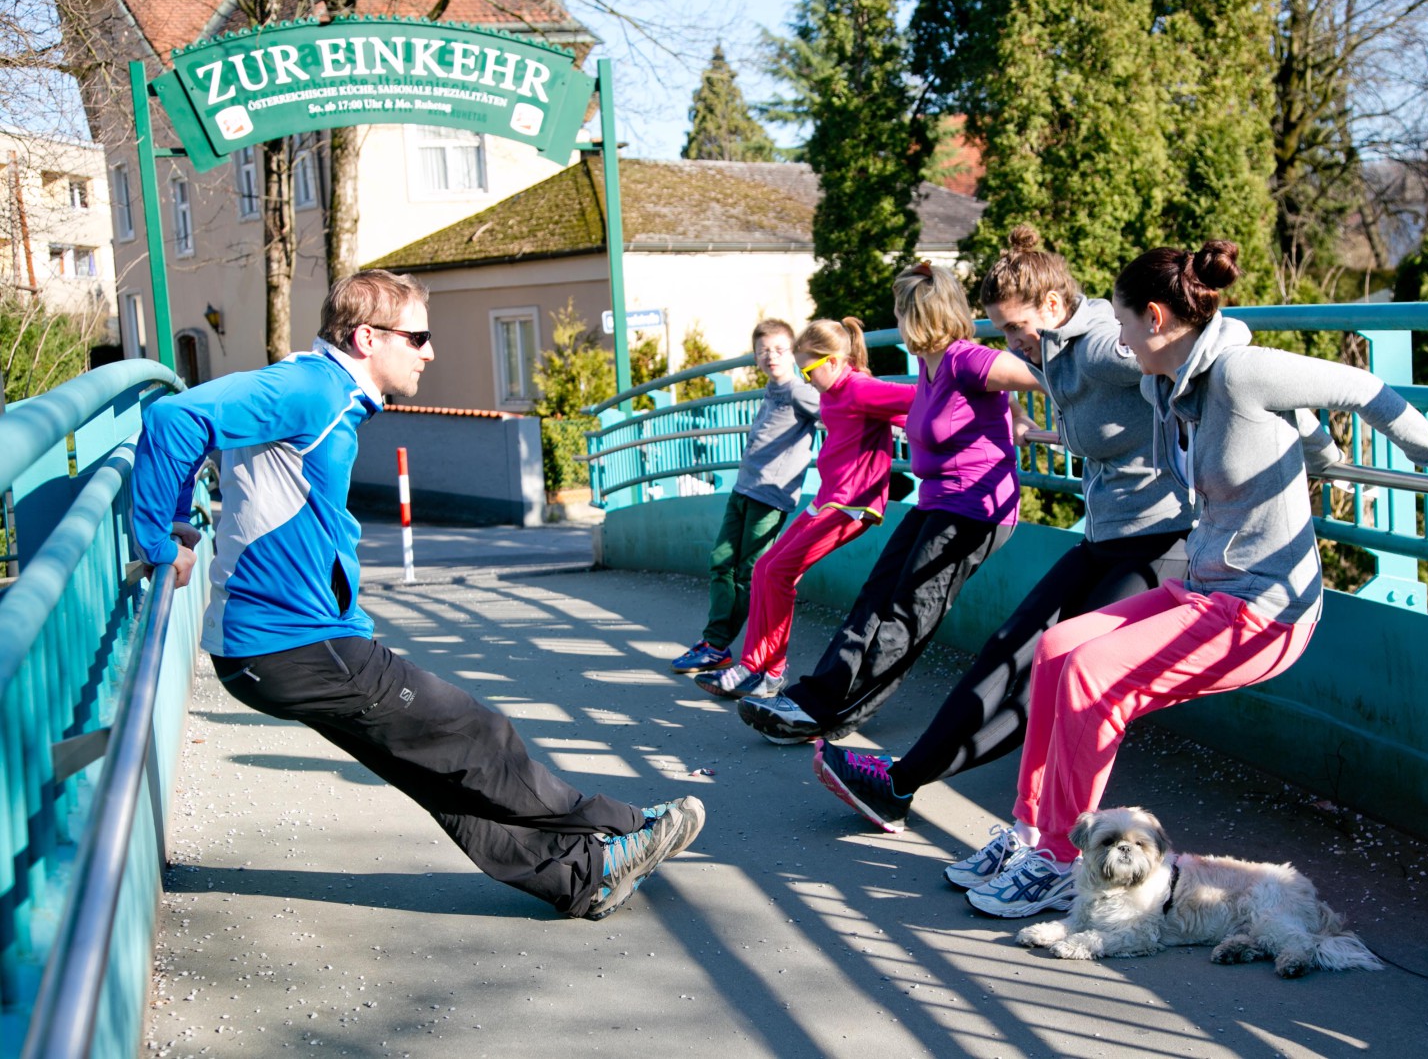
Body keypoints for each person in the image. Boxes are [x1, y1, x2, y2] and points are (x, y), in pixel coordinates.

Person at [130, 270, 704, 922]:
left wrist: (179, 523)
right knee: (475, 733)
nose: (430, 352)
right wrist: (159, 539)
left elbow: (192, 430)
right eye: (419, 336)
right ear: (367, 337)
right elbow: (174, 417)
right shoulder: (311, 387)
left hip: (281, 646)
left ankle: (580, 878)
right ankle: (624, 827)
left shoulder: (320, 392)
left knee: (434, 770)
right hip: (294, 643)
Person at [962, 240, 1428, 918]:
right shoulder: (1168, 383)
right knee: (1061, 648)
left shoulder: (1241, 371)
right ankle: (1035, 833)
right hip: (1206, 589)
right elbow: (1270, 430)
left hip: (1262, 611)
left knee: (1095, 675)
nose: (1115, 339)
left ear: (1155, 319)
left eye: (1121, 325)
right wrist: (1314, 448)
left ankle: (1068, 862)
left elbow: (1362, 389)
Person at [813, 226, 1339, 842]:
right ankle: (976, 811)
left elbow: (1218, 356)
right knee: (1011, 646)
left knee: (1055, 672)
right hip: (1106, 535)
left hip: (1161, 541)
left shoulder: (1103, 349)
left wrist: (1317, 449)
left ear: (1056, 308)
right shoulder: (1057, 357)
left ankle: (966, 809)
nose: (1010, 345)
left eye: (1015, 330)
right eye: (1002, 332)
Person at [738, 261, 1043, 745]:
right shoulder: (929, 364)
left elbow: (1034, 374)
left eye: (901, 312)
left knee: (906, 614)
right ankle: (814, 696)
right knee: (874, 598)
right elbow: (999, 397)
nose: (897, 322)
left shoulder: (966, 358)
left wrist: (1039, 414)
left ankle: (834, 714)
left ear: (922, 315)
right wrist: (1016, 414)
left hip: (975, 512)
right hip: (936, 501)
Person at [694, 318, 915, 700]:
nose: (806, 379)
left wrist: (967, 425)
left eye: (809, 370)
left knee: (779, 571)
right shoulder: (829, 390)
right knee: (765, 568)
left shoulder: (861, 388)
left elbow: (920, 402)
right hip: (827, 499)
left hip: (853, 505)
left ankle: (767, 672)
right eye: (802, 370)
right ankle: (755, 667)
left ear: (833, 361)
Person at [671, 320, 821, 676]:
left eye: (781, 350)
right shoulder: (771, 391)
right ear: (755, 357)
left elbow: (841, 412)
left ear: (794, 354)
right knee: (721, 561)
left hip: (771, 497)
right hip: (742, 490)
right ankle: (714, 644)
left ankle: (738, 650)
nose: (772, 356)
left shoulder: (800, 392)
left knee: (750, 572)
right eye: (764, 351)